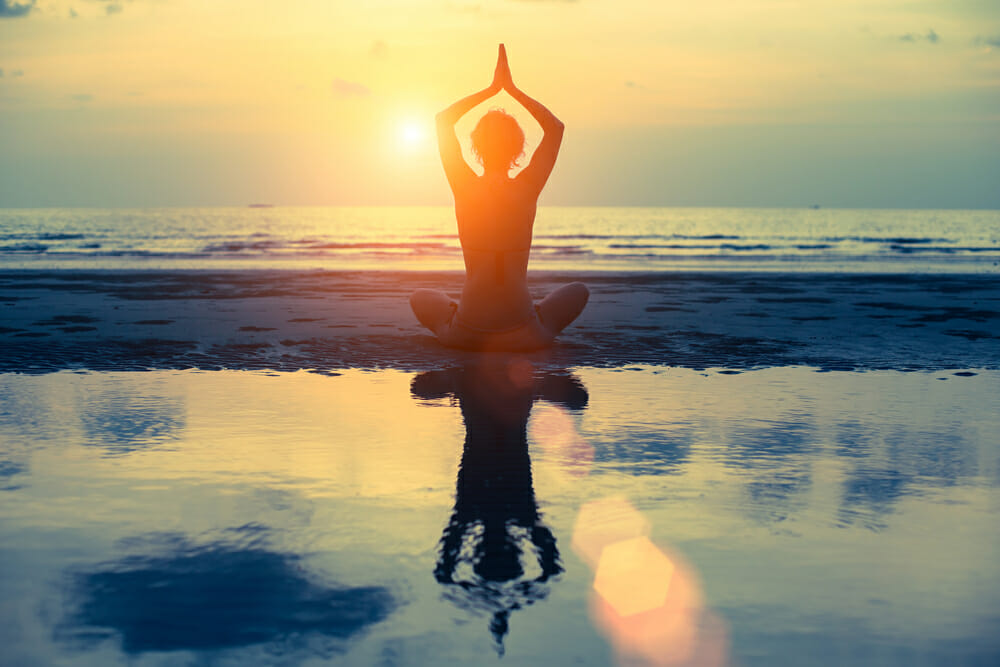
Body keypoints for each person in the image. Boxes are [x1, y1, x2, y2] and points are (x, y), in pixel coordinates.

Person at [409, 44, 589, 351]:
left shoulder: (463, 185)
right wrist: (511, 90)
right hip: (522, 334)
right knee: (578, 291)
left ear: (476, 147)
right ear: (519, 148)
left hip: (468, 331)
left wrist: (491, 90)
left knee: (419, 298)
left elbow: (443, 120)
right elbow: (555, 128)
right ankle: (535, 316)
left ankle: (452, 319)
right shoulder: (527, 187)